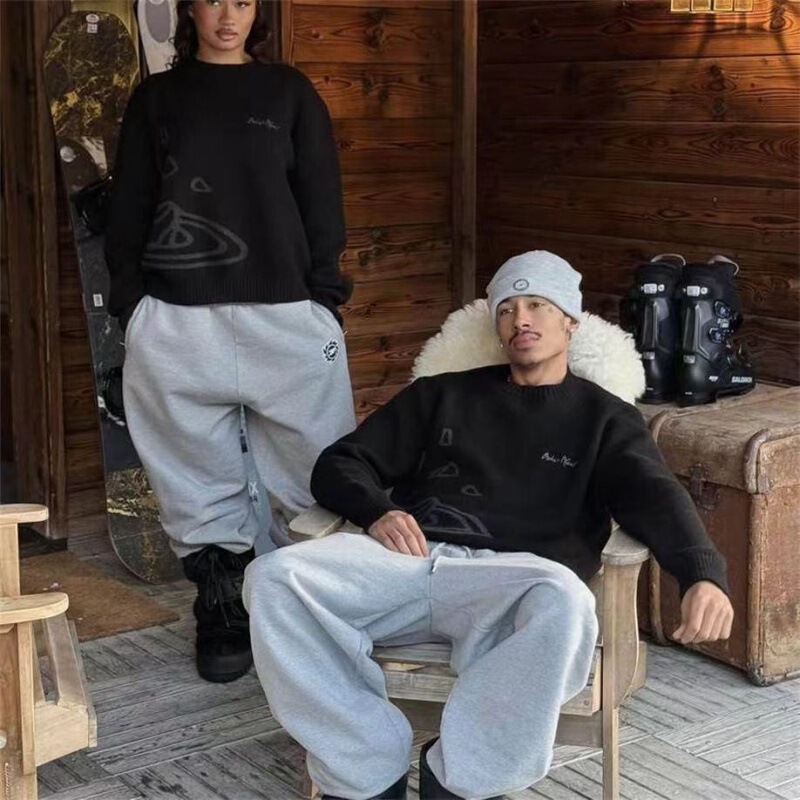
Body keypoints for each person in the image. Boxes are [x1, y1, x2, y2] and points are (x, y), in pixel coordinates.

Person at [243, 250, 735, 800]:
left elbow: (655, 496)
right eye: (507, 309)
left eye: (538, 305)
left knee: (567, 603)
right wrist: (377, 510)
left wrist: (701, 574)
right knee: (273, 578)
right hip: (407, 561)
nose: (521, 319)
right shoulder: (441, 394)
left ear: (570, 322)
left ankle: (461, 779)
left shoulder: (605, 419)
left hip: (512, 580)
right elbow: (339, 463)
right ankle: (365, 761)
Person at [105, 0, 355, 684]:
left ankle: (320, 602)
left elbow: (321, 200)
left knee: (320, 467)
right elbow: (129, 205)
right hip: (177, 318)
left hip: (288, 315)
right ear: (190, 9)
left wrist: (323, 300)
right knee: (192, 475)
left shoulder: (289, 93)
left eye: (242, 1)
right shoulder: (157, 99)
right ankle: (223, 609)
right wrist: (133, 307)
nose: (227, 15)